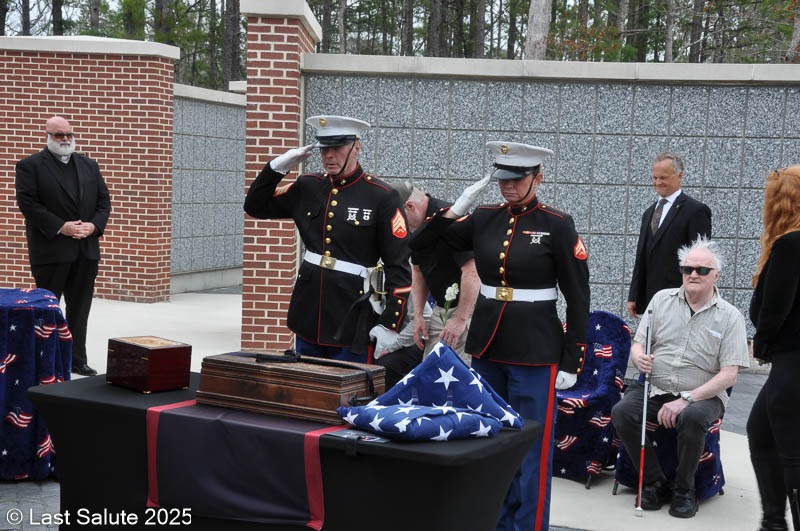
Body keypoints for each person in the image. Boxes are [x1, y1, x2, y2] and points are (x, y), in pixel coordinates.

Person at [408, 141, 590, 531]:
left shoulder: (557, 224)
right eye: (503, 179)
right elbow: (419, 244)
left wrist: (572, 359)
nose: (507, 186)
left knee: (530, 450)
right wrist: (455, 209)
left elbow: (578, 296)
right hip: (489, 345)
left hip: (534, 350)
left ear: (537, 178)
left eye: (517, 179)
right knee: (491, 443)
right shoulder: (484, 217)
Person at [243, 115, 411, 362]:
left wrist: (389, 324)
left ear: (356, 146)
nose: (329, 156)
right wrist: (276, 168)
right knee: (308, 381)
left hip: (352, 314)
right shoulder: (308, 186)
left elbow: (398, 266)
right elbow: (255, 206)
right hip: (309, 313)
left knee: (349, 383)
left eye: (337, 147)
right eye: (324, 149)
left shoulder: (381, 196)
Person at [611, 236, 750, 519]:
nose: (693, 275)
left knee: (693, 418)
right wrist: (639, 357)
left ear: (716, 275)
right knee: (622, 412)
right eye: (687, 269)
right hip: (655, 387)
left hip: (703, 394)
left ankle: (684, 490)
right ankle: (653, 481)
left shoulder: (730, 317)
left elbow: (729, 375)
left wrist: (686, 399)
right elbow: (639, 343)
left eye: (702, 270)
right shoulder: (661, 300)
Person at [15, 115, 112, 377]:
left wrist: (93, 226)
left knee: (80, 310)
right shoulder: (30, 166)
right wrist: (62, 226)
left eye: (69, 134)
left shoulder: (89, 165)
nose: (66, 139)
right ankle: (44, 361)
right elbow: (28, 204)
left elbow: (104, 202)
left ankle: (76, 360)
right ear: (48, 136)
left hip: (85, 250)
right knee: (47, 310)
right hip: (51, 251)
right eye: (59, 135)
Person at [747, 166, 800, 531]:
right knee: (760, 430)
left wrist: (761, 342)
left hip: (792, 359)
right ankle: (772, 522)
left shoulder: (790, 244)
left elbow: (775, 306)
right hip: (790, 361)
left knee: (792, 450)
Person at [392, 181, 479, 365]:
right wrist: (418, 317)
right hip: (441, 309)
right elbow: (418, 269)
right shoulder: (419, 225)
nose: (397, 224)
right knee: (431, 372)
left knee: (458, 374)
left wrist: (460, 319)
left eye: (398, 217)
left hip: (466, 310)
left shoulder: (451, 219)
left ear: (410, 206)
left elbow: (472, 271)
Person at [627, 151, 711, 318]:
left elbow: (701, 259)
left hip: (680, 298)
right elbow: (641, 257)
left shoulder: (695, 211)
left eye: (663, 178)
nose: (658, 182)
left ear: (680, 176)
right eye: (655, 178)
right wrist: (634, 295)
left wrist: (694, 296)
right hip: (650, 298)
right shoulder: (648, 213)